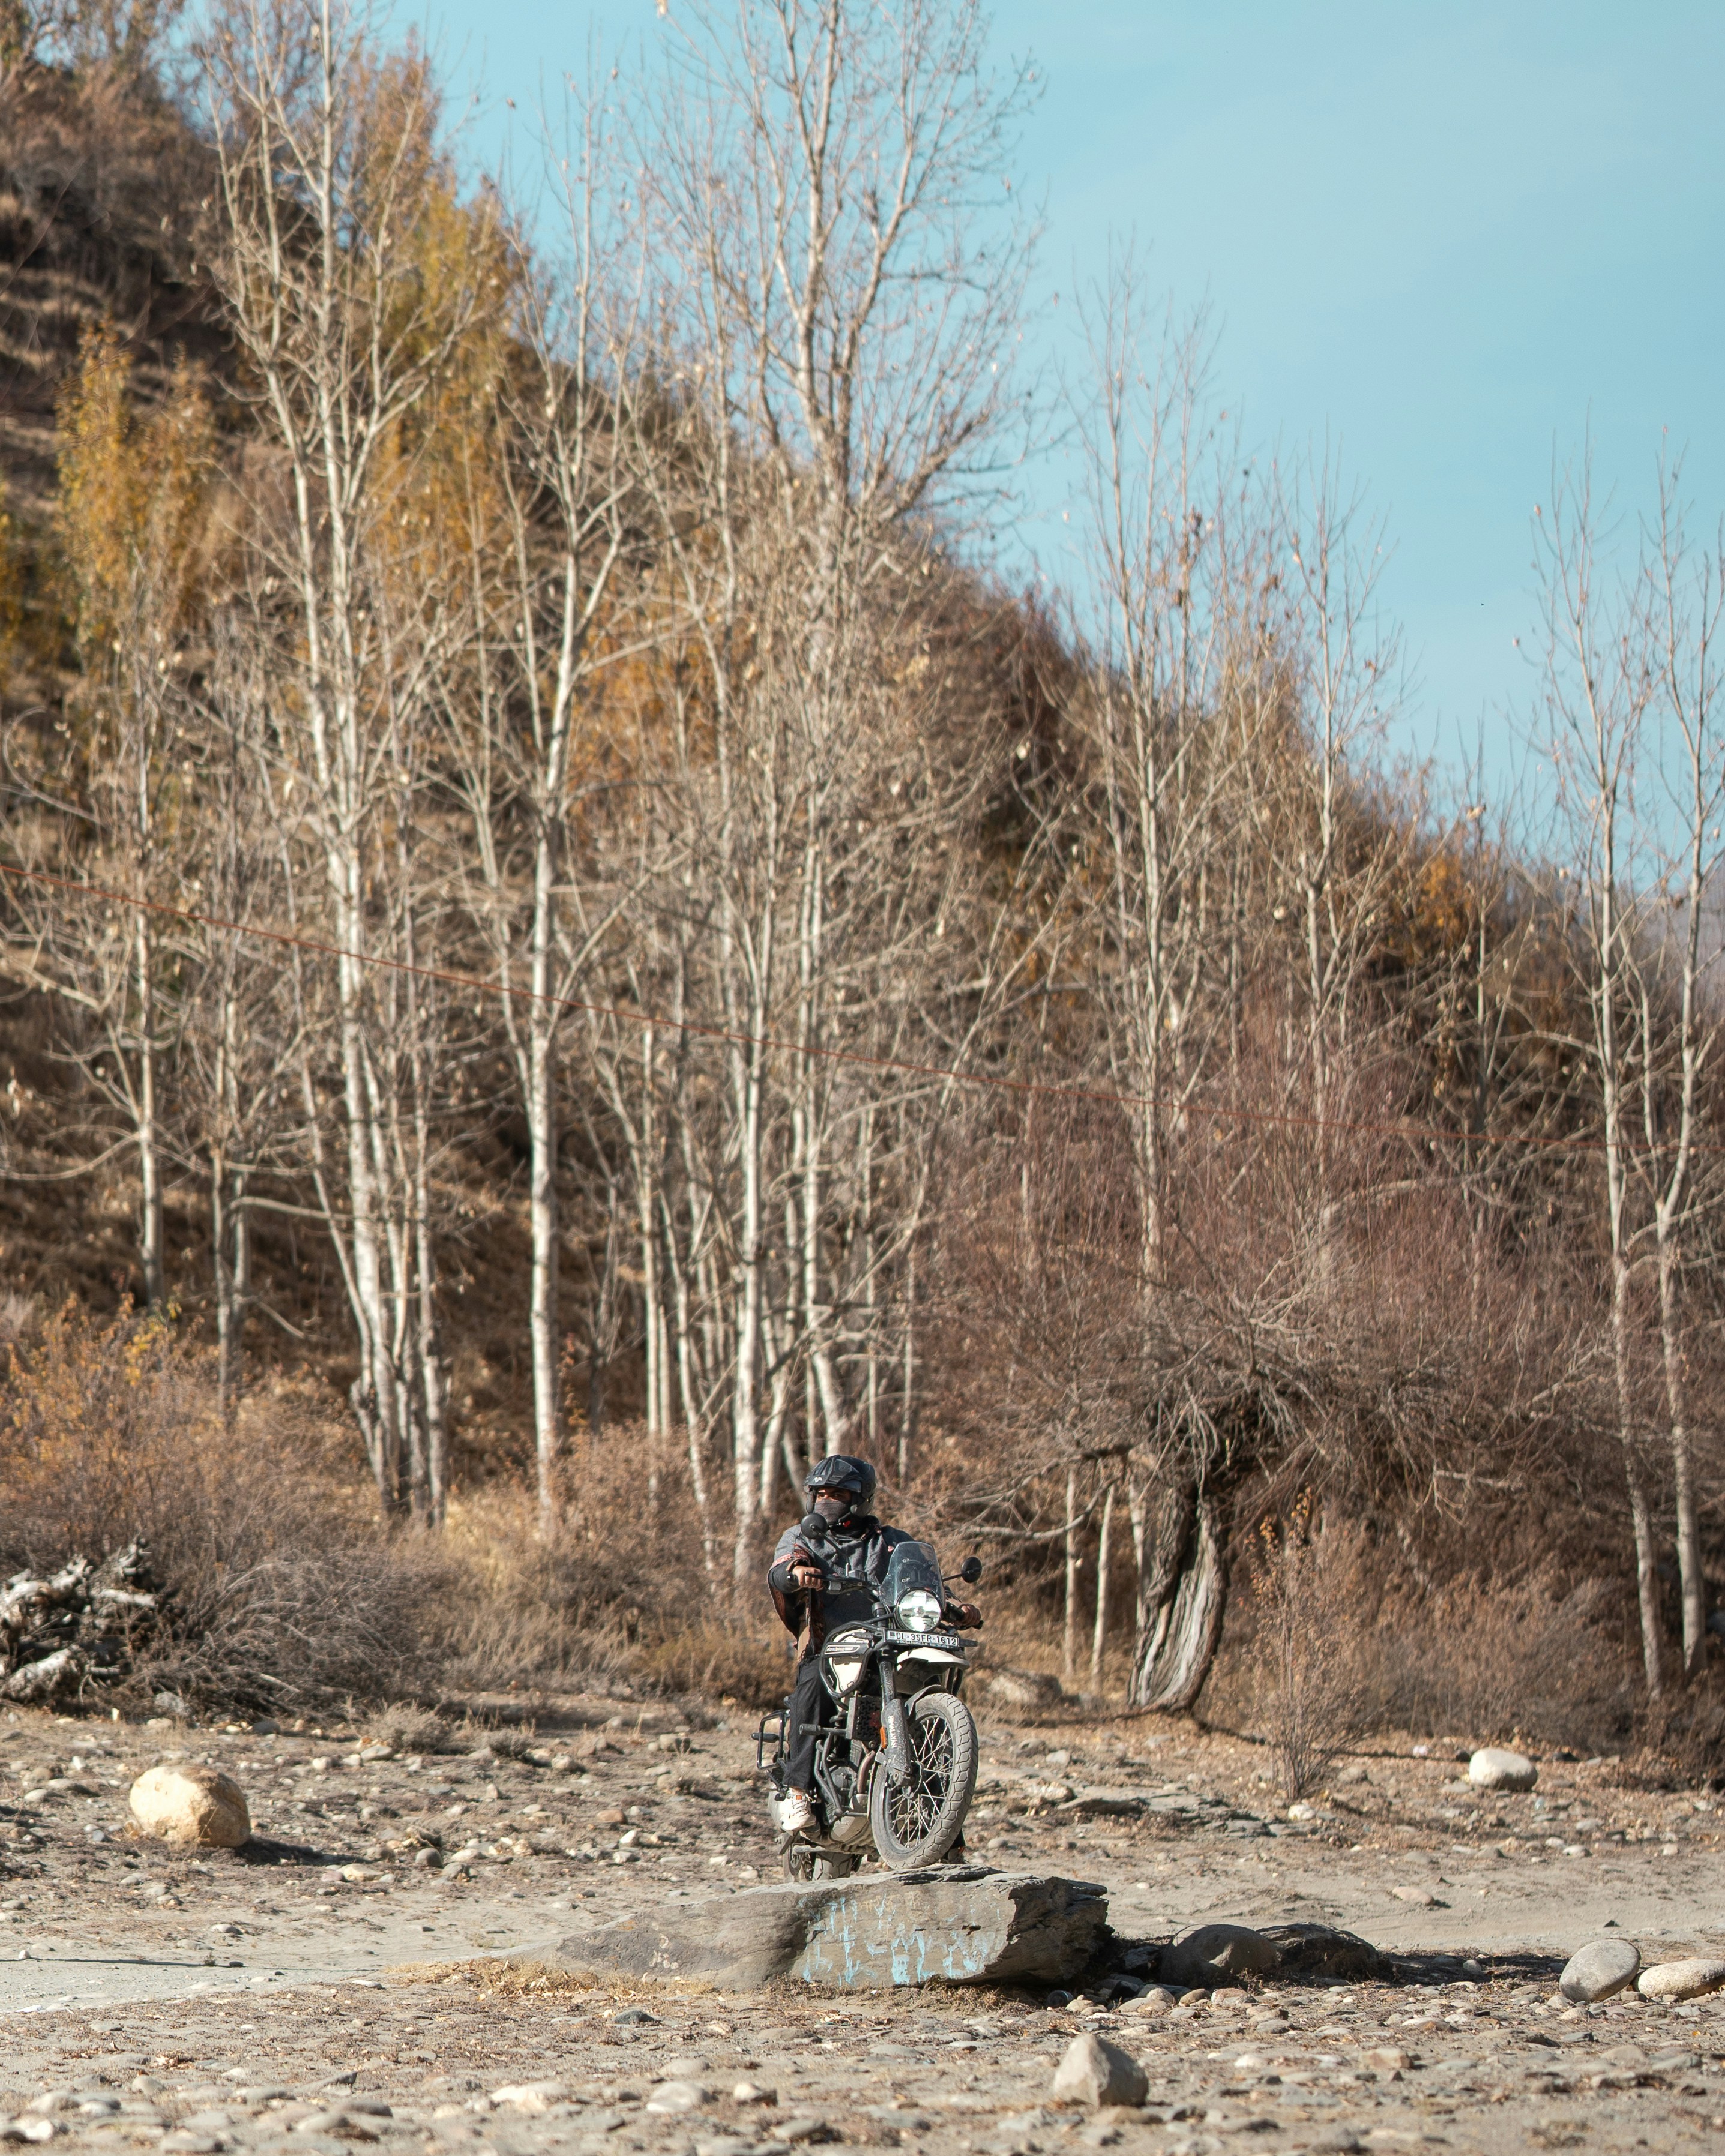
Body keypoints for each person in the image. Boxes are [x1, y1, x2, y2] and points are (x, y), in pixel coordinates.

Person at [765, 1453, 980, 1837]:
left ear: (861, 1499)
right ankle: (797, 1791)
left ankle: (945, 1826)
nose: (826, 1501)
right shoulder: (803, 1535)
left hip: (889, 1641)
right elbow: (783, 1567)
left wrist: (952, 1605)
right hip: (831, 1643)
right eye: (821, 1493)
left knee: (930, 1716)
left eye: (838, 1494)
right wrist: (798, 1573)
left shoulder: (892, 1542)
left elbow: (918, 1580)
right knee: (811, 1688)